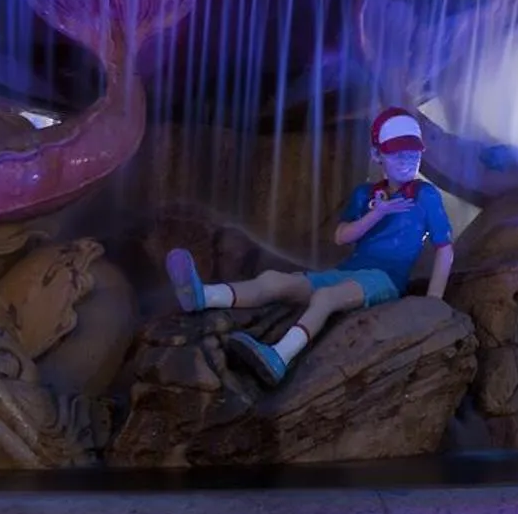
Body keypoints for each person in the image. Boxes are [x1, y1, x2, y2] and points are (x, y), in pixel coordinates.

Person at [165, 107, 453, 386]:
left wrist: (433, 301)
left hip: (384, 280)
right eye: (397, 153)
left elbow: (444, 248)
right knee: (276, 281)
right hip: (348, 271)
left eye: (413, 153)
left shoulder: (425, 195)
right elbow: (341, 236)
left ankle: (279, 356)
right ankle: (204, 296)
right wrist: (376, 214)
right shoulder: (365, 194)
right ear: (377, 155)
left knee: (326, 297)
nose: (406, 160)